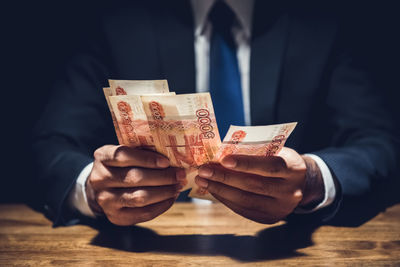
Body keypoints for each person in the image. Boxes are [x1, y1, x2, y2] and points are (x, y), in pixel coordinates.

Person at [32, 0, 399, 226]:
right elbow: (50, 142)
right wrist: (93, 190)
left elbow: (379, 141)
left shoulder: (325, 20)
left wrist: (313, 181)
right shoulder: (114, 19)